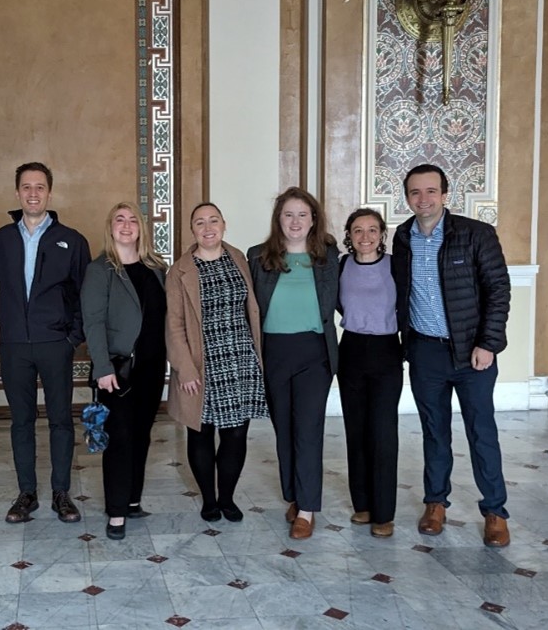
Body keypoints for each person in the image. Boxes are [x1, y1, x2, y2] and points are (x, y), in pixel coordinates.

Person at [392, 164, 511, 548]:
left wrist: (488, 344)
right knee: (434, 432)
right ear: (406, 197)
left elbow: (498, 291)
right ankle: (435, 503)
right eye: (415, 192)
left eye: (430, 191)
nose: (422, 199)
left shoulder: (476, 234)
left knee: (482, 432)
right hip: (426, 352)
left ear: (445, 194)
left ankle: (495, 511)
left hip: (472, 353)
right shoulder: (402, 237)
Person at [0, 162, 91, 523]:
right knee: (21, 420)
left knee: (61, 420)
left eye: (40, 187)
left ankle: (61, 493)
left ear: (49, 192)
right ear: (17, 192)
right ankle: (26, 493)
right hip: (15, 345)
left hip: (55, 344)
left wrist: (71, 338)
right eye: (26, 187)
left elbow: (84, 293)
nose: (33, 193)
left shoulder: (72, 239)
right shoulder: (1, 238)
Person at [165, 202, 267, 523]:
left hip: (240, 358)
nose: (208, 228)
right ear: (192, 230)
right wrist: (185, 367)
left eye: (213, 221)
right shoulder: (179, 271)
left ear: (224, 224)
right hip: (201, 361)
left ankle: (227, 498)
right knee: (201, 432)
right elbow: (174, 324)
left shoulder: (239, 259)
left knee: (236, 433)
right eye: (200, 223)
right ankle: (209, 499)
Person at [247, 188, 339, 540]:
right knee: (283, 429)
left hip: (314, 353)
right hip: (274, 354)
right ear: (278, 220)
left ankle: (307, 509)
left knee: (308, 430)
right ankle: (294, 494)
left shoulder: (329, 257)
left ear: (313, 219)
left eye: (303, 214)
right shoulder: (259, 257)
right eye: (288, 215)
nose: (295, 221)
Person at [81, 202, 168, 540]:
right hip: (116, 369)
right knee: (119, 438)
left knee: (142, 434)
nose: (127, 225)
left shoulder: (156, 267)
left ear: (141, 228)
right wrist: (101, 368)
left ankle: (132, 500)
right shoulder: (100, 269)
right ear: (111, 227)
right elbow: (93, 322)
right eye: (120, 219)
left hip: (150, 367)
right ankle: (116, 511)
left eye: (133, 220)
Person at [338, 207, 402, 538]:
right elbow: (337, 304)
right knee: (356, 430)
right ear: (349, 235)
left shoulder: (395, 266)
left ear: (382, 234)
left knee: (383, 433)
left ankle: (384, 512)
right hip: (350, 350)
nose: (365, 236)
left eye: (372, 230)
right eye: (358, 230)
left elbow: (407, 303)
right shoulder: (341, 266)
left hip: (386, 352)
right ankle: (361, 504)